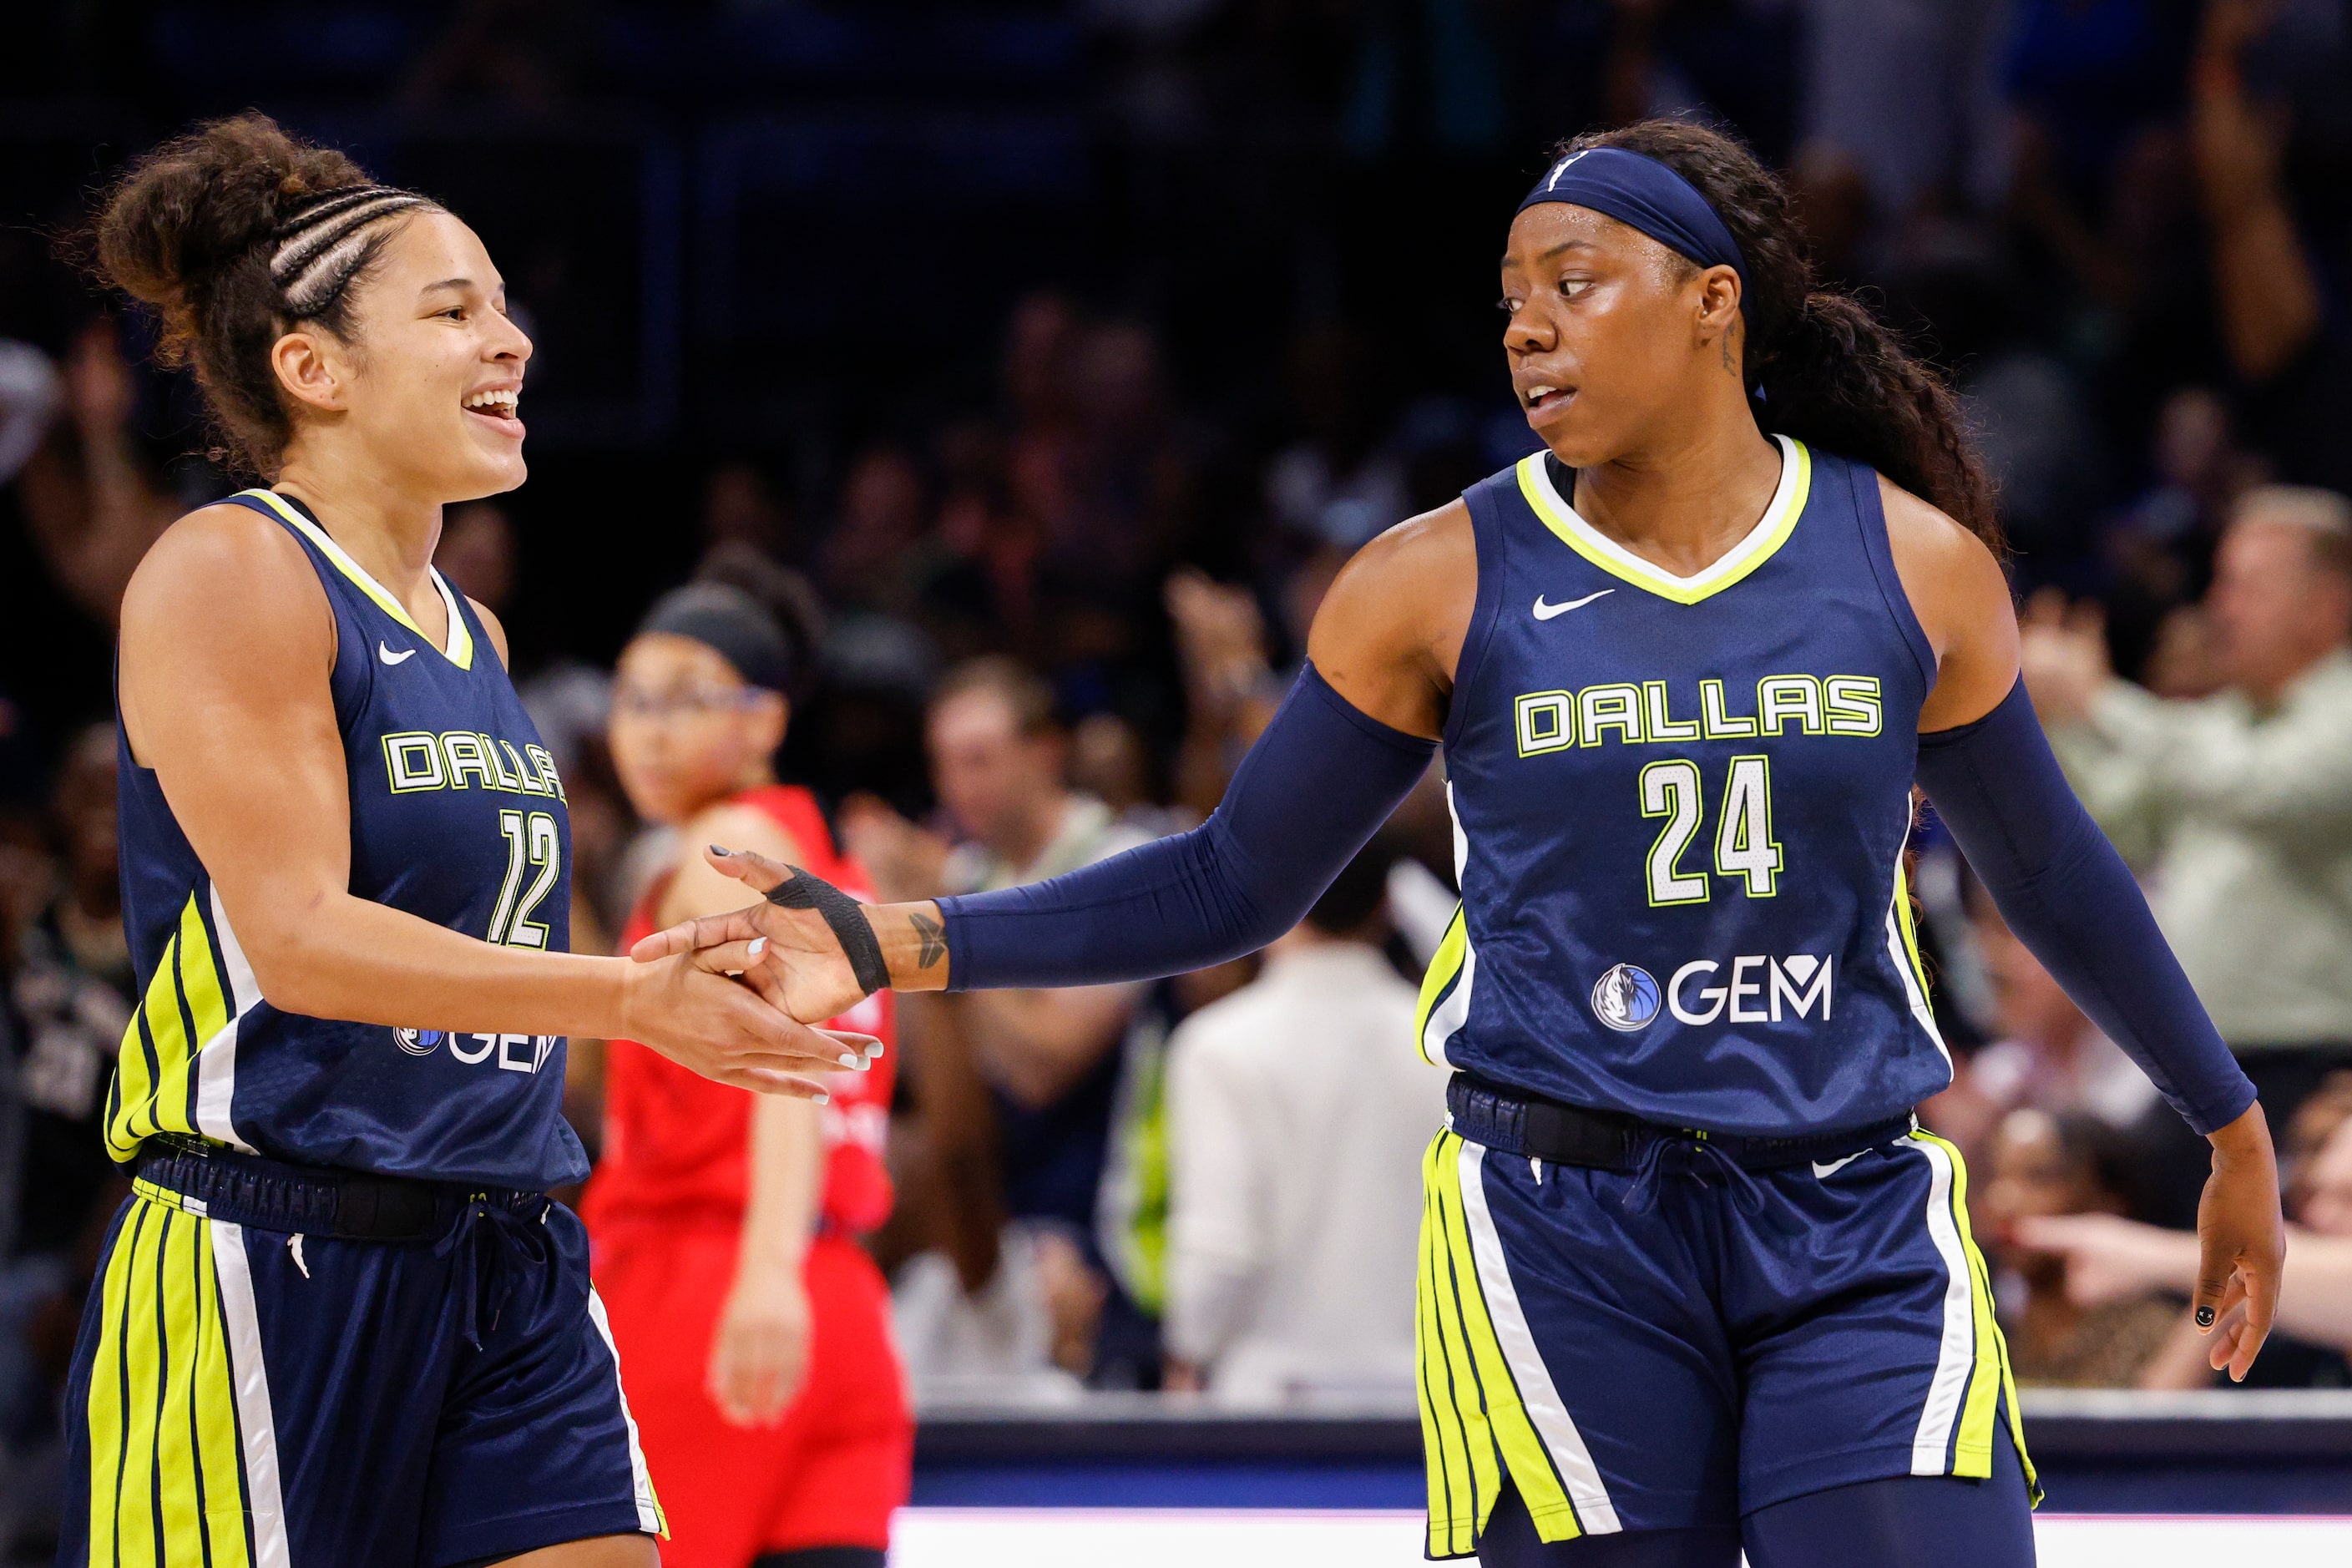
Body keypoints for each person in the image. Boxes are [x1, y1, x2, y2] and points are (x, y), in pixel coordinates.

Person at [647, 120, 2284, 1567]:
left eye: (1574, 282)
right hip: (1568, 1221)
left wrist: (2226, 1128)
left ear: (1715, 300)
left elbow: (2052, 871)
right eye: (1511, 296)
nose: (1524, 327)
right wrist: (891, 935)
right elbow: (1233, 878)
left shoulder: (1913, 566)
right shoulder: (1431, 579)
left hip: (1848, 1203)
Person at [65, 115, 856, 1568]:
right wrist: (630, 999)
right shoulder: (233, 568)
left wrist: (677, 980)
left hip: (507, 1245)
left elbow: (478, 948)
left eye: (502, 305)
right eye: (454, 311)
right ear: (315, 369)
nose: (512, 343)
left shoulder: (473, 630)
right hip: (274, 1247)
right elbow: (299, 936)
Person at [584, 584, 908, 1568]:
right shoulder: (834, 864)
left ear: (766, 716)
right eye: (631, 700)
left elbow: (780, 1068)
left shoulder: (716, 853)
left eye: (684, 699)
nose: (647, 731)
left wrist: (763, 1272)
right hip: (842, 1293)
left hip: (711, 1286)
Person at [2024, 485, 2352, 1146]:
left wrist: (2097, 700)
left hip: (2309, 1063)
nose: (2218, 609)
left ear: (2326, 603)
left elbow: (2263, 788)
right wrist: (2053, 718)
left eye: (2245, 587)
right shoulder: (2220, 722)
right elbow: (2120, 826)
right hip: (2199, 1065)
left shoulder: (2338, 712)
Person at [1161, 842, 1443, 1403]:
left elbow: (1221, 1252)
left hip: (1269, 1407)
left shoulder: (1218, 1047)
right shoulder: (1442, 1047)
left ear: (1267, 896)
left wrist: (1187, 1349)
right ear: (1388, 904)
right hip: (1422, 1398)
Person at [1971, 1110, 2176, 1388]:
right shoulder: (1974, 1329)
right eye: (1994, 1175)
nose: (2002, 1200)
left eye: (2037, 1177)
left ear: (2106, 1200)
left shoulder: (2156, 1336)